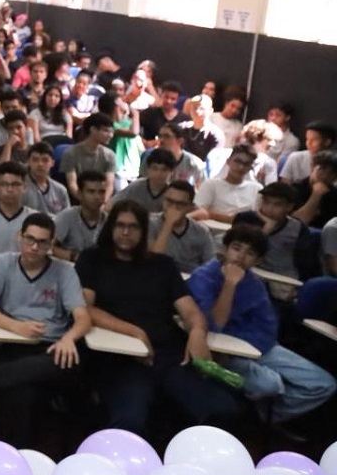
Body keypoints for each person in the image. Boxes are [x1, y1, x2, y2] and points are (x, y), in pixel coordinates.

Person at [76, 201, 244, 439]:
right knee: (130, 422)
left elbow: (189, 311)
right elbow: (86, 308)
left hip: (168, 355)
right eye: (120, 225)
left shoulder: (161, 265)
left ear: (144, 231)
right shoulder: (92, 259)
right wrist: (135, 332)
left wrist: (197, 331)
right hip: (120, 356)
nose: (126, 232)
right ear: (110, 227)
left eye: (133, 227)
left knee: (223, 411)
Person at [0, 214, 91, 448]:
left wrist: (69, 338)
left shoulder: (65, 271)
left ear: (51, 245)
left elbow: (83, 317)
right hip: (13, 344)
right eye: (29, 239)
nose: (34, 247)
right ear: (19, 237)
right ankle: (9, 454)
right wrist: (16, 327)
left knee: (61, 364)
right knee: (22, 394)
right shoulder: (2, 263)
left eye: (42, 242)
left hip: (51, 349)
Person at [188, 225, 336, 430]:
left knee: (323, 384)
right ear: (225, 248)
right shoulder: (203, 276)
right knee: (270, 385)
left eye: (250, 254)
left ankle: (260, 418)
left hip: (259, 348)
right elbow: (214, 326)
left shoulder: (254, 284)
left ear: (257, 261)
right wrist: (230, 285)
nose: (240, 257)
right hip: (221, 351)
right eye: (236, 248)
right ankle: (254, 416)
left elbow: (268, 327)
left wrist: (252, 351)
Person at [149, 181, 217, 274]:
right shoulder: (150, 224)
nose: (173, 207)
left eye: (180, 204)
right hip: (159, 277)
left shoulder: (202, 232)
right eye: (169, 201)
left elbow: (211, 268)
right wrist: (168, 224)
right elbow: (153, 262)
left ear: (190, 207)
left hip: (191, 280)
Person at [192, 144, 261, 233]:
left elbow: (256, 219)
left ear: (250, 167)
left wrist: (211, 215)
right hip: (211, 233)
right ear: (228, 161)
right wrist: (231, 219)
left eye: (246, 164)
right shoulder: (211, 184)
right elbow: (200, 212)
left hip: (242, 236)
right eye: (237, 161)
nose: (241, 167)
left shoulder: (256, 189)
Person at [53, 170, 108, 263]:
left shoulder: (109, 220)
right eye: (91, 192)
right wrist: (75, 257)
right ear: (79, 194)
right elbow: (48, 246)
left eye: (101, 192)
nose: (97, 197)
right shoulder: (66, 216)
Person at [60, 113, 117, 203]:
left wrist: (102, 202)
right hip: (78, 200)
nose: (111, 135)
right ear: (93, 130)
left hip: (101, 201)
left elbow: (109, 185)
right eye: (106, 131)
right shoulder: (70, 153)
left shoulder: (110, 155)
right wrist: (88, 202)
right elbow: (72, 185)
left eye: (111, 132)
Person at [111, 147, 175, 213]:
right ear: (148, 169)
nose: (159, 173)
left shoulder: (173, 192)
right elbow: (111, 205)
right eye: (155, 168)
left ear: (172, 172)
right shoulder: (136, 186)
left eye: (164, 170)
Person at [21, 141, 70, 216]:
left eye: (45, 160)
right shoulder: (20, 187)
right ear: (28, 162)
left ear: (52, 163)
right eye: (35, 160)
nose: (40, 164)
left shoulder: (60, 190)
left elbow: (67, 218)